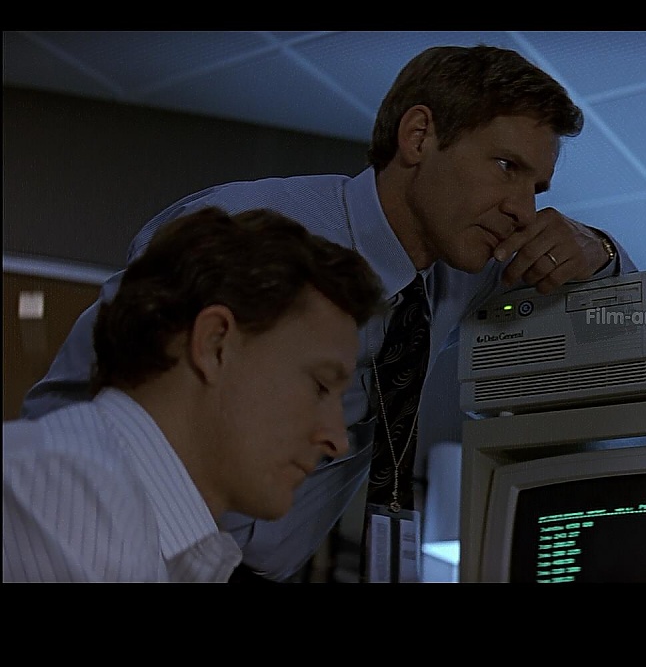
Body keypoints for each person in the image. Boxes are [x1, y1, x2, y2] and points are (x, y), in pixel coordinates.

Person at [20, 43, 638, 581]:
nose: (524, 209)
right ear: (418, 136)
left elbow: (639, 324)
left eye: (537, 187)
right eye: (506, 167)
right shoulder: (246, 233)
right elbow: (76, 406)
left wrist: (601, 251)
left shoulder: (473, 271)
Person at [3, 206, 385, 582]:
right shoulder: (59, 506)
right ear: (215, 344)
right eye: (320, 386)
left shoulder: (151, 539)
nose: (337, 441)